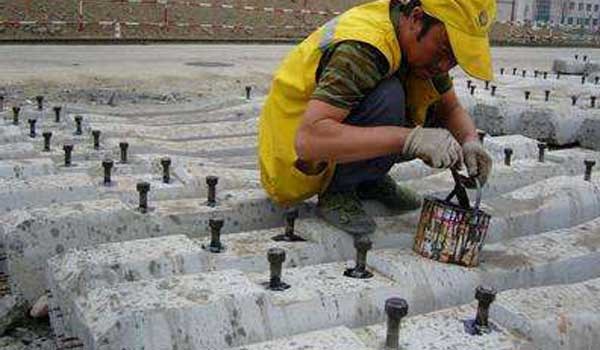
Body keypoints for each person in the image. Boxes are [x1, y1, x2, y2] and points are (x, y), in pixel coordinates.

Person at [258, 0, 495, 235]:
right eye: (444, 51)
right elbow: (309, 140)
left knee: (424, 95)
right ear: (416, 18)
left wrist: (470, 141)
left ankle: (367, 179)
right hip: (294, 156)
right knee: (388, 96)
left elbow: (450, 108)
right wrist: (411, 139)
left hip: (328, 139)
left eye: (454, 59)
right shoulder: (364, 47)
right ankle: (339, 190)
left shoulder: (422, 51)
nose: (444, 65)